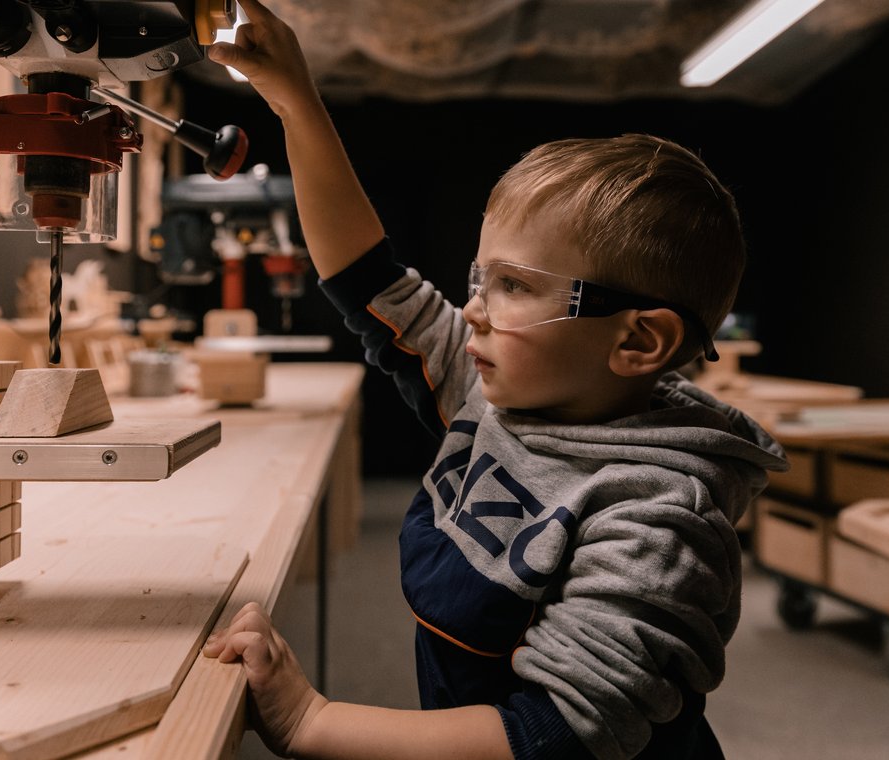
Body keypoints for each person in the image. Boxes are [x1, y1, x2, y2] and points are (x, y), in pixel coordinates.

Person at [202, 2, 788, 757]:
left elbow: (556, 734)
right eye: (481, 278)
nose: (473, 309)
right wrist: (294, 102)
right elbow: (369, 279)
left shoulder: (656, 521)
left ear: (638, 340)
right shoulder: (500, 392)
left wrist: (309, 720)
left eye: (514, 285)